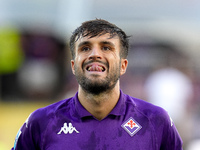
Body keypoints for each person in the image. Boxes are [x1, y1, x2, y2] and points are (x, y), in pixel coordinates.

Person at [12, 19, 183, 150]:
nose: (95, 54)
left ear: (123, 66)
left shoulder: (155, 121)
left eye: (106, 47)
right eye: (85, 48)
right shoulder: (41, 122)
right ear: (73, 66)